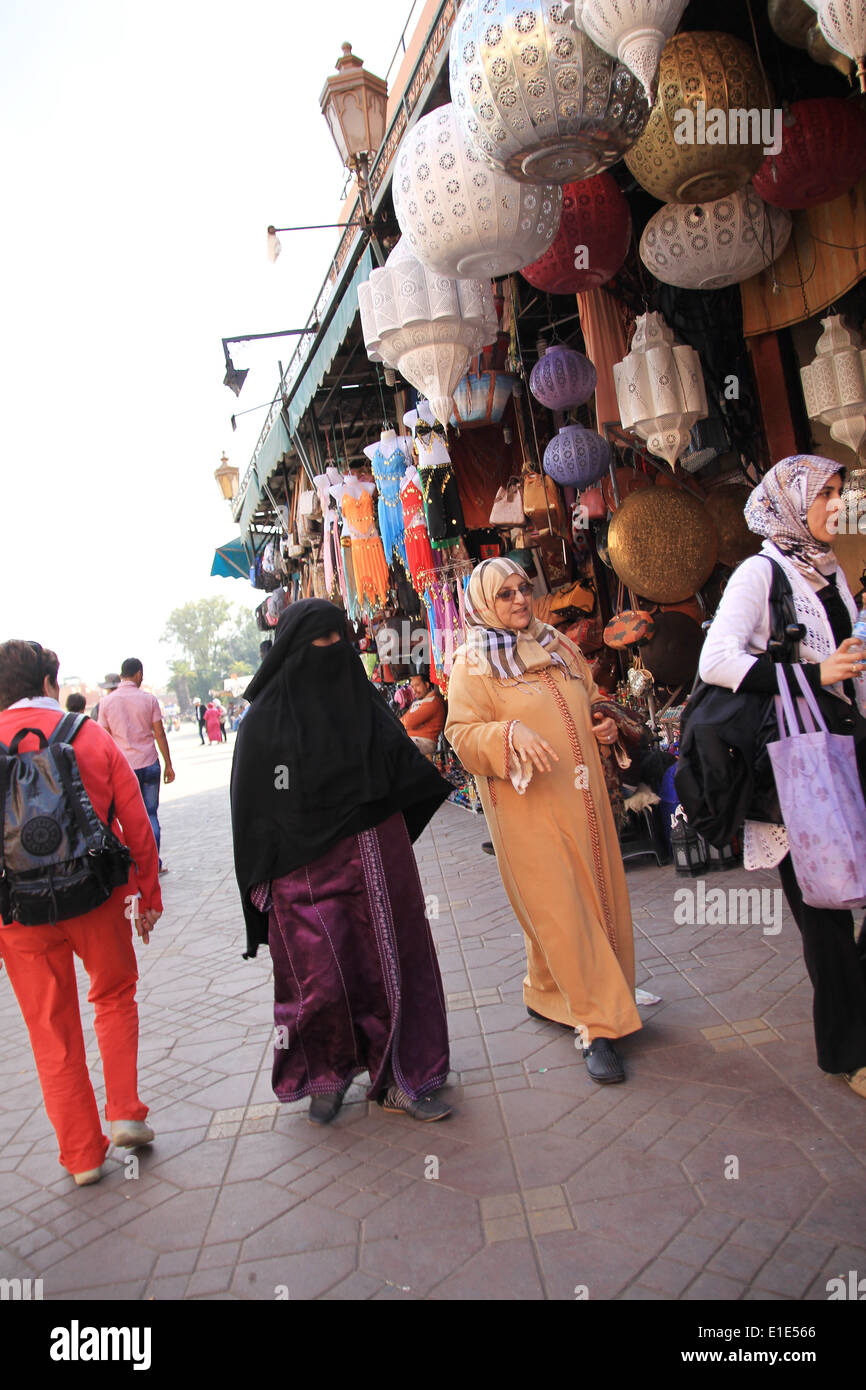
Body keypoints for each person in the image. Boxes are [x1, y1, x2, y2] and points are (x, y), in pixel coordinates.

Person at [230, 599, 454, 1125]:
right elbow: (251, 805)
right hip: (302, 873)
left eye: (338, 641)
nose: (332, 653)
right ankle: (325, 1073)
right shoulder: (263, 722)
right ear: (291, 650)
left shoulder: (362, 701)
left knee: (395, 964)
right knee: (320, 979)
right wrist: (263, 883)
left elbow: (397, 764)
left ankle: (401, 1074)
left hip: (377, 856)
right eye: (318, 643)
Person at [699, 455, 866, 1100]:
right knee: (823, 911)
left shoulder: (829, 571)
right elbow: (718, 660)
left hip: (846, 750)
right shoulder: (760, 572)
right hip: (796, 767)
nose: (833, 503)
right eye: (821, 493)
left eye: (837, 492)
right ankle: (849, 1051)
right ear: (791, 504)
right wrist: (813, 675)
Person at [445, 557, 642, 1084]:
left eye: (522, 589)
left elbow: (594, 698)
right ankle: (597, 1026)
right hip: (528, 810)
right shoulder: (472, 664)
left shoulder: (558, 645)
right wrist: (507, 735)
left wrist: (603, 723)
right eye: (504, 594)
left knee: (595, 896)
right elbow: (461, 735)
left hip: (587, 803)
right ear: (484, 604)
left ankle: (549, 990)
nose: (518, 601)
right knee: (561, 907)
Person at [0, 640, 161, 1185]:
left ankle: (82, 1157)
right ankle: (124, 1114)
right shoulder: (87, 735)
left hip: (17, 912)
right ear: (50, 683)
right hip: (98, 896)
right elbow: (135, 822)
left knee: (50, 1028)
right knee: (114, 996)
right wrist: (148, 895)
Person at [98, 658, 175, 875]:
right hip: (150, 763)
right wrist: (169, 764)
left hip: (124, 769)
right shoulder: (148, 699)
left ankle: (137, 866)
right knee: (151, 815)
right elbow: (159, 733)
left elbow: (104, 739)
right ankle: (154, 864)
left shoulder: (107, 703)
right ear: (139, 674)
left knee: (130, 819)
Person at [400, 672, 446, 756]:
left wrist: (405, 721)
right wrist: (405, 721)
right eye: (412, 687)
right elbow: (401, 722)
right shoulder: (419, 702)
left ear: (427, 685)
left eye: (417, 685)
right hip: (412, 740)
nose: (414, 690)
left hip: (424, 742)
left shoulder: (433, 701)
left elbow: (409, 722)